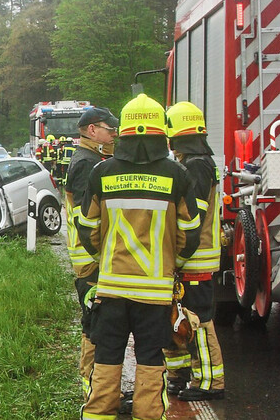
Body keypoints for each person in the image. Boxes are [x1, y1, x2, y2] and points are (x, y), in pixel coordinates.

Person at [78, 94, 202, 420]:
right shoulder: (178, 175)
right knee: (150, 361)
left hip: (111, 291)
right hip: (154, 294)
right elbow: (189, 234)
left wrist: (104, 258)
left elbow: (87, 229)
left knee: (106, 359)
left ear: (124, 133)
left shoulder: (101, 172)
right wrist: (172, 264)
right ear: (162, 133)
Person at [163, 101, 225, 401]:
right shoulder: (196, 162)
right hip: (190, 258)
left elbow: (192, 219)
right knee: (178, 318)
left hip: (195, 258)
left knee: (197, 320)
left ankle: (210, 383)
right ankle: (180, 375)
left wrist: (177, 254)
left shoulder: (196, 166)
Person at [64, 107, 119, 397]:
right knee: (95, 324)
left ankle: (99, 390)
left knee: (99, 323)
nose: (114, 134)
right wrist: (102, 256)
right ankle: (95, 392)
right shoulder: (87, 164)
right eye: (109, 129)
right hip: (90, 261)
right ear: (91, 130)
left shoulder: (93, 158)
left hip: (92, 258)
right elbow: (88, 221)